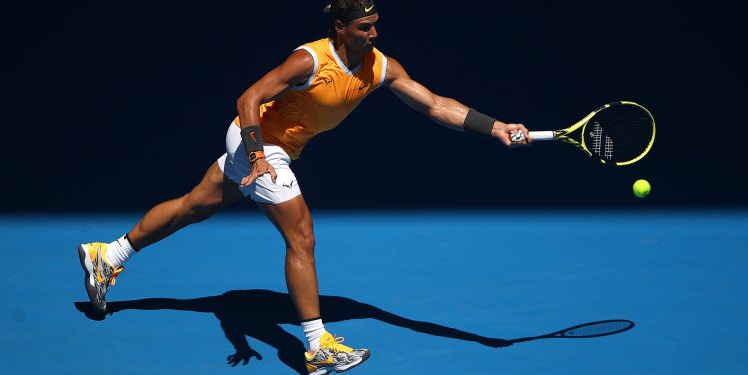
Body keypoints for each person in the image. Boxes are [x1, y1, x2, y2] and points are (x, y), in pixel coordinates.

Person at [76, 1, 531, 374]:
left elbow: (434, 105)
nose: (373, 34)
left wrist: (493, 127)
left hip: (278, 149)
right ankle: (317, 347)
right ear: (340, 28)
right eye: (364, 28)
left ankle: (109, 254)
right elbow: (248, 99)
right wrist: (256, 156)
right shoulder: (310, 59)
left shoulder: (380, 67)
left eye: (375, 26)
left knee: (195, 205)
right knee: (301, 235)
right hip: (259, 143)